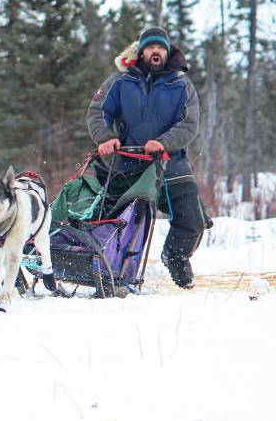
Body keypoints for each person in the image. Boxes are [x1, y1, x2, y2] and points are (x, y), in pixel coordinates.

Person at [87, 26, 209, 289]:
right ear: (141, 52)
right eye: (150, 47)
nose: (156, 51)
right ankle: (109, 269)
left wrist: (163, 142)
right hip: (128, 163)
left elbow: (189, 124)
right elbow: (98, 112)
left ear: (167, 52)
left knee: (193, 220)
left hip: (171, 162)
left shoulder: (181, 84)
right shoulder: (119, 81)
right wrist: (106, 138)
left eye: (160, 47)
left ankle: (175, 257)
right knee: (113, 221)